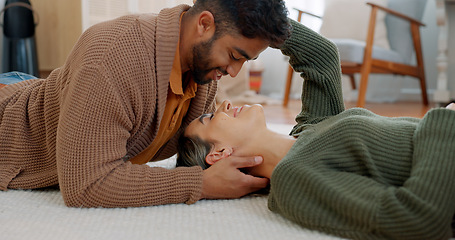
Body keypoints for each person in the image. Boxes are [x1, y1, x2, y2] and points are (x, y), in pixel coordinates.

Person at [176, 20, 455, 240]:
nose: (224, 103)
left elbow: (321, 58)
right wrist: (444, 124)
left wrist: (260, 20)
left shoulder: (309, 129)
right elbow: (417, 220)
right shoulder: (293, 179)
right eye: (210, 117)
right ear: (220, 154)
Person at [0, 0, 292, 208]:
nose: (234, 71)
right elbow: (85, 185)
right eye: (234, 55)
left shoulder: (200, 72)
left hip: (38, 88)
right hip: (8, 119)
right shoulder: (113, 57)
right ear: (204, 24)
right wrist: (198, 185)